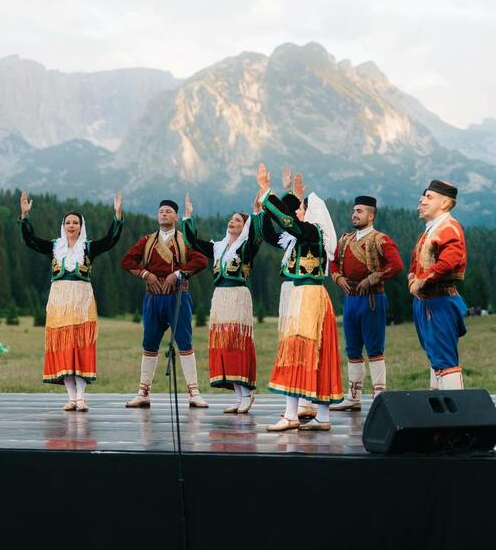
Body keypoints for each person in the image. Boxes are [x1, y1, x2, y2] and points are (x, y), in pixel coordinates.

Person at [256, 164, 343, 431]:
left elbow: (288, 221)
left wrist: (266, 191)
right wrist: (284, 195)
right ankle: (322, 417)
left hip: (308, 296)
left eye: (302, 207)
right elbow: (276, 228)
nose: (297, 211)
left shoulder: (313, 233)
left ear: (313, 212)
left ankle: (292, 415)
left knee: (297, 349)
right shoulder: (304, 236)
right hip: (310, 296)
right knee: (316, 351)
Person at [19, 190, 123, 411]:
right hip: (58, 303)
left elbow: (111, 240)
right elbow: (30, 241)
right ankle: (71, 397)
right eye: (68, 222)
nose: (71, 226)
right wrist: (25, 216)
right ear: (63, 225)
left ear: (81, 225)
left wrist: (117, 214)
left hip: (82, 303)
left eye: (75, 222)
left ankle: (82, 397)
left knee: (81, 346)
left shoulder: (88, 247)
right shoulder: (54, 247)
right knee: (64, 347)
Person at [120, 200, 209, 408]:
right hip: (153, 299)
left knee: (185, 343)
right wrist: (145, 273)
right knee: (149, 343)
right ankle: (143, 392)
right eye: (161, 211)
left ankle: (194, 393)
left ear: (176, 217)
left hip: (178, 297)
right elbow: (127, 261)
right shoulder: (147, 241)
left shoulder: (183, 240)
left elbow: (201, 261)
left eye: (168, 211)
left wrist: (178, 274)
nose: (164, 214)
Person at [183, 193, 262, 414]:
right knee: (224, 343)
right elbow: (194, 242)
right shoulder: (219, 247)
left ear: (244, 227)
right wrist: (188, 217)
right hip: (220, 297)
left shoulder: (246, 248)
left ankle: (246, 393)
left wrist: (255, 213)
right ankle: (238, 396)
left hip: (237, 295)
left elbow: (256, 237)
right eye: (231, 219)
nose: (232, 221)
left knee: (237, 342)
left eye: (238, 220)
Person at [329, 195, 404, 411]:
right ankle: (353, 397)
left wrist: (372, 278)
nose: (355, 214)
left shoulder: (380, 239)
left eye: (360, 211)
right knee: (352, 348)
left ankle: (379, 396)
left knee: (374, 348)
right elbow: (333, 264)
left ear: (371, 216)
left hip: (372, 299)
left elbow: (397, 265)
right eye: (354, 210)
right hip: (350, 299)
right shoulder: (345, 240)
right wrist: (339, 278)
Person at [409, 180, 468, 390]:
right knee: (435, 356)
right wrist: (412, 278)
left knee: (444, 358)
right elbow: (416, 262)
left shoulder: (448, 228)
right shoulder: (431, 229)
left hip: (440, 301)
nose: (422, 201)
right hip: (428, 302)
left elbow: (448, 261)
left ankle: (454, 414)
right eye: (423, 197)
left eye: (428, 197)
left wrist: (421, 281)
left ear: (445, 203)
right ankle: (439, 408)